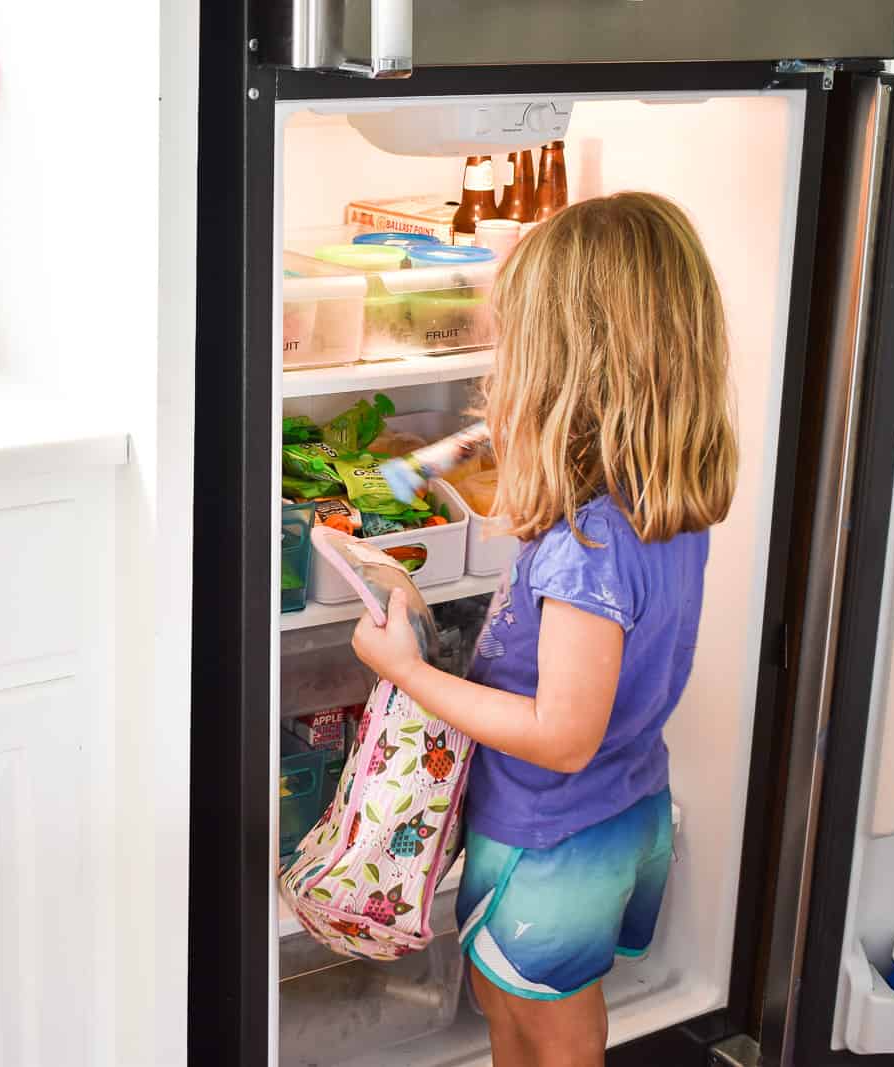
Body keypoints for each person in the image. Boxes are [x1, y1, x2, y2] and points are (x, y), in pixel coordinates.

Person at [352, 191, 737, 1067]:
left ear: (563, 373)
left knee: (553, 1032)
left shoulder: (584, 550)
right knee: (509, 995)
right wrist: (457, 449)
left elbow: (560, 736)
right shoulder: (655, 498)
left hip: (552, 831)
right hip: (623, 803)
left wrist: (405, 668)